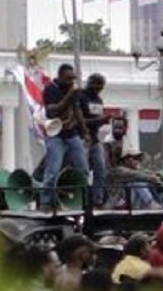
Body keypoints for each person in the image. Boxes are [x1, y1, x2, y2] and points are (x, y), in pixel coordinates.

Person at [40, 64, 89, 210]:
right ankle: (46, 202)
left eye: (73, 79)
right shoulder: (50, 89)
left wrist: (84, 131)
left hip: (71, 133)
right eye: (68, 79)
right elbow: (54, 111)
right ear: (60, 76)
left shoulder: (72, 90)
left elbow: (77, 110)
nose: (70, 82)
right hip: (55, 135)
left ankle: (83, 199)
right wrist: (70, 95)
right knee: (52, 171)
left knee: (83, 168)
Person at [78, 73, 111, 207]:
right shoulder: (80, 96)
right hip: (81, 137)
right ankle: (83, 198)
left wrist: (103, 121)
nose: (97, 87)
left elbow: (96, 120)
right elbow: (79, 120)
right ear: (89, 82)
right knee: (83, 170)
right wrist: (99, 120)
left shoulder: (99, 100)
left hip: (95, 138)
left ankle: (97, 199)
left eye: (100, 84)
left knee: (100, 169)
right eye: (95, 83)